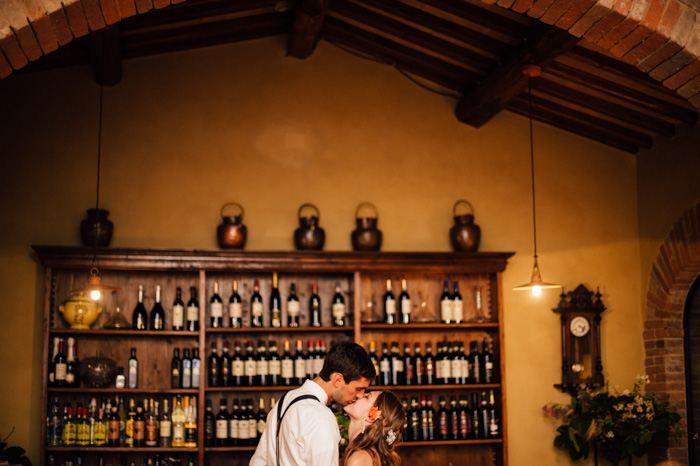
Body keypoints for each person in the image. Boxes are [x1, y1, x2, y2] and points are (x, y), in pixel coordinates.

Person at [250, 340, 376, 466]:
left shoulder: (285, 400)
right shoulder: (322, 417)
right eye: (358, 388)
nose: (360, 395)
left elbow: (258, 462)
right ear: (338, 380)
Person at [342, 390, 405, 466]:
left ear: (372, 416)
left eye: (366, 397)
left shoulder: (359, 458)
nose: (358, 394)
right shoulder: (369, 455)